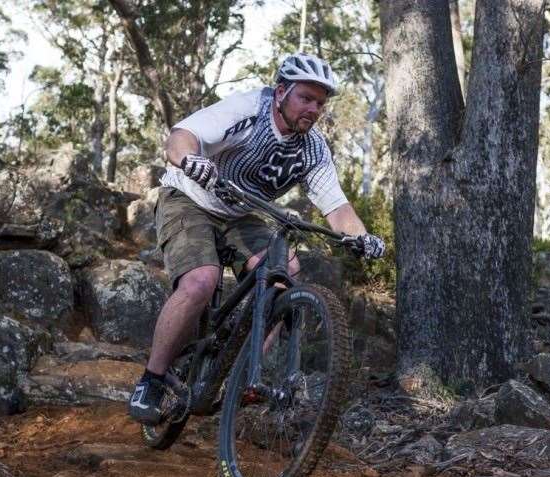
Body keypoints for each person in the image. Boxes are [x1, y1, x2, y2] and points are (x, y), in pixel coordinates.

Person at [129, 52, 386, 425]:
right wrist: (190, 160)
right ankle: (151, 381)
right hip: (190, 198)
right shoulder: (250, 109)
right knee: (202, 280)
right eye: (305, 98)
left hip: (241, 212)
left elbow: (337, 208)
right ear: (281, 91)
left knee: (286, 276)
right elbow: (181, 137)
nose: (313, 109)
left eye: (320, 103)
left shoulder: (313, 149)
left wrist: (364, 238)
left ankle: (237, 375)